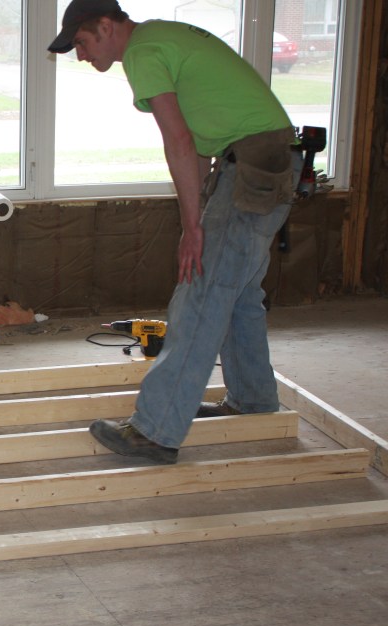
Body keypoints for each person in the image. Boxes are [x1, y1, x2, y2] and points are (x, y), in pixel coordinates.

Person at [49, 0, 302, 464]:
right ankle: (253, 401)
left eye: (82, 43)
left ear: (105, 26)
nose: (81, 55)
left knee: (201, 294)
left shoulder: (142, 52)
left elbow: (178, 142)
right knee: (237, 295)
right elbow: (199, 144)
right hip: (264, 162)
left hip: (252, 166)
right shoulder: (161, 38)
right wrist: (200, 214)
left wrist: (192, 228)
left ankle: (156, 430)